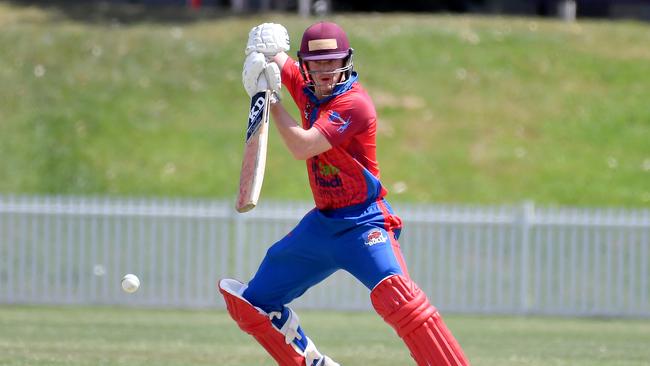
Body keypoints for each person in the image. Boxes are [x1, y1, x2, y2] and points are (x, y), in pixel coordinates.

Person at [219, 21, 470, 366]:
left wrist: (270, 100)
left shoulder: (354, 104)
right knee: (251, 303)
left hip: (365, 224)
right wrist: (258, 54)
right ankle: (311, 361)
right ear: (305, 65)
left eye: (332, 62)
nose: (325, 72)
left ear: (346, 62)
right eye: (317, 64)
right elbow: (274, 56)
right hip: (323, 225)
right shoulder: (306, 85)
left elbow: (301, 146)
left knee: (400, 299)